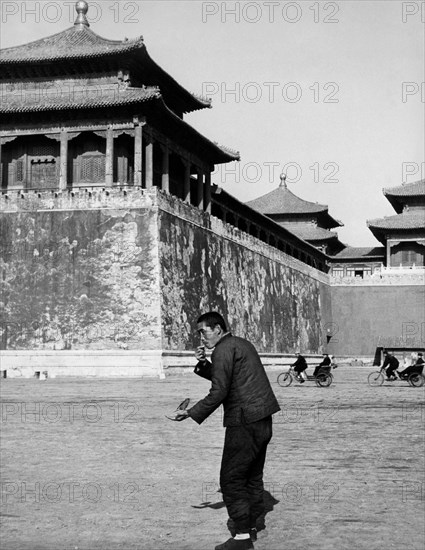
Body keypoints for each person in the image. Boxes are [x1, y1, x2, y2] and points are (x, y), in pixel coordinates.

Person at [174, 311, 281, 550]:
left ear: (218, 329)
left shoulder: (223, 349)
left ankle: (242, 537)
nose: (201, 338)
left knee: (231, 478)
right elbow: (228, 378)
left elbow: (219, 391)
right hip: (263, 418)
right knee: (252, 477)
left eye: (204, 331)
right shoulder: (240, 344)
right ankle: (251, 526)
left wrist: (191, 412)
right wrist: (203, 363)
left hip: (244, 421)